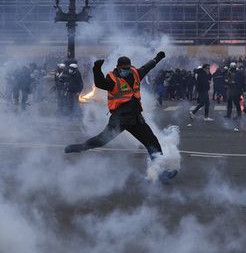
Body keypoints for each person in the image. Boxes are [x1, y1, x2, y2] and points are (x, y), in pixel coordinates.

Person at [64, 52, 177, 180]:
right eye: (124, 69)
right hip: (119, 120)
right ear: (118, 67)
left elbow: (146, 67)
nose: (127, 71)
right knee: (101, 141)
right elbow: (100, 83)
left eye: (128, 68)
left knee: (152, 142)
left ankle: (160, 172)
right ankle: (79, 147)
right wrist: (96, 69)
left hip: (136, 119)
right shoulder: (113, 80)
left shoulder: (135, 74)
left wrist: (157, 58)